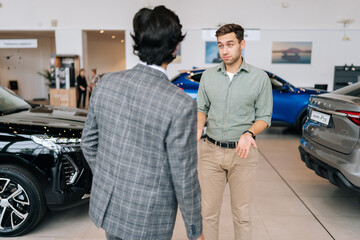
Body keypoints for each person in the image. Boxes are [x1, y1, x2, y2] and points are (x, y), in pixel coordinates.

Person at [81, 5, 204, 240]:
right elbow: (184, 177)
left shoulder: (106, 83)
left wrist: (111, 179)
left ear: (138, 41)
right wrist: (195, 231)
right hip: (148, 216)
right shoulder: (180, 104)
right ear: (175, 47)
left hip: (109, 207)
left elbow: (88, 143)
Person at [197, 24, 273, 240]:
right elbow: (201, 109)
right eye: (221, 45)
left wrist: (249, 133)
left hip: (243, 154)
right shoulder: (208, 77)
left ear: (242, 44)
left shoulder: (259, 78)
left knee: (242, 215)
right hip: (211, 151)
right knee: (209, 213)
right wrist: (198, 126)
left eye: (230, 44)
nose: (225, 51)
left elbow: (264, 117)